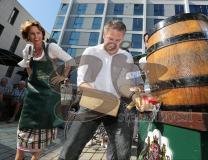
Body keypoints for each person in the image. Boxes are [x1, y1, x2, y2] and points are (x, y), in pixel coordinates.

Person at [58, 20, 147, 160]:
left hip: (117, 107)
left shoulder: (127, 56)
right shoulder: (91, 52)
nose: (113, 43)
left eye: (118, 40)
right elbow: (82, 83)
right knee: (71, 147)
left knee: (122, 151)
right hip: (91, 104)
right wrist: (103, 96)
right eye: (110, 38)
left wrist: (135, 94)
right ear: (104, 35)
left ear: (123, 38)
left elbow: (126, 85)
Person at [15, 20, 72, 160]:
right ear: (27, 37)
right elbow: (29, 72)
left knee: (37, 148)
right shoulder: (26, 51)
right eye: (32, 34)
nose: (36, 37)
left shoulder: (51, 48)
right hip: (32, 98)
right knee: (21, 143)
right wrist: (33, 84)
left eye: (38, 33)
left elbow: (70, 60)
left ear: (42, 33)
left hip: (48, 98)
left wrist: (63, 76)